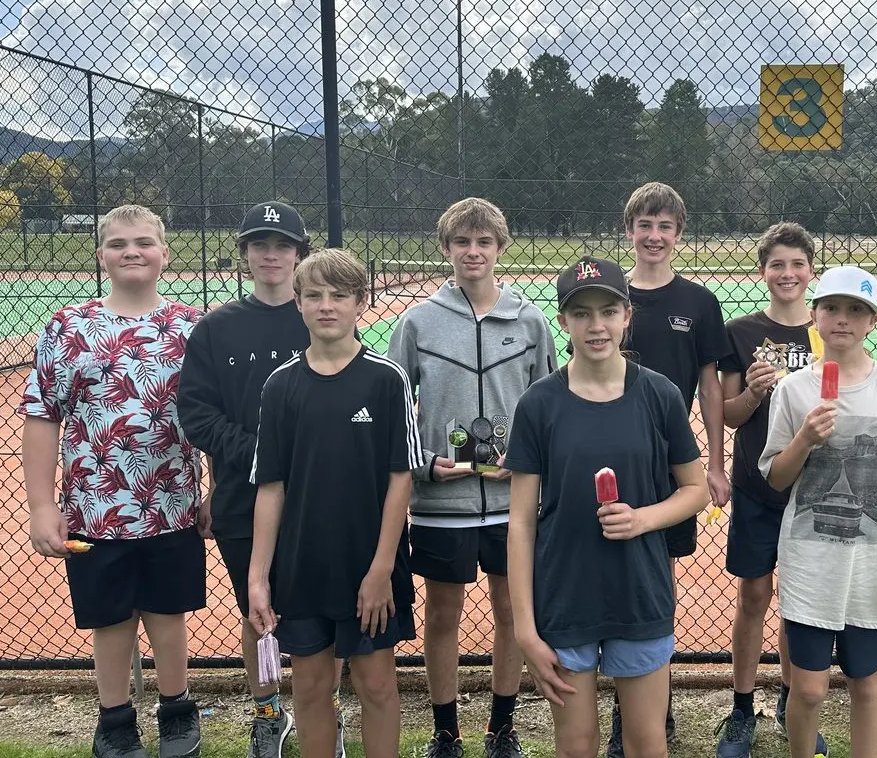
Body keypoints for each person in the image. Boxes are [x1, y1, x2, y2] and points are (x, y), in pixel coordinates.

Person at [19, 204, 205, 758]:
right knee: (111, 619)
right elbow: (42, 414)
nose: (132, 251)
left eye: (144, 242)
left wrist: (216, 486)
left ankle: (177, 710)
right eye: (119, 243)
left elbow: (211, 418)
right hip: (94, 509)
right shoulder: (68, 327)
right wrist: (41, 506)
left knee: (168, 615)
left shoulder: (191, 327)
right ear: (101, 255)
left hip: (172, 504)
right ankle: (115, 720)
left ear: (165, 255)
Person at [505, 256, 707, 758]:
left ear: (626, 316)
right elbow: (522, 523)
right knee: (576, 744)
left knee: (646, 743)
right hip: (566, 596)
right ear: (563, 320)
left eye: (608, 312)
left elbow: (695, 489)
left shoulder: (659, 395)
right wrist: (526, 631)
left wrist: (643, 518)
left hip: (639, 593)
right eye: (581, 314)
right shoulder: (538, 404)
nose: (596, 326)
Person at [386, 198, 556, 758]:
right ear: (446, 249)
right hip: (442, 500)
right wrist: (423, 461)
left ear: (500, 248)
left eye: (484, 241)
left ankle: (501, 728)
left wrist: (529, 460)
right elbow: (396, 410)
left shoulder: (529, 320)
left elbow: (548, 404)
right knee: (443, 612)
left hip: (512, 502)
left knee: (512, 611)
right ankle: (445, 731)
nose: (473, 251)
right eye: (463, 242)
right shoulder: (418, 321)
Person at [248, 248, 426, 758]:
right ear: (298, 304)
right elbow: (271, 487)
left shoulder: (386, 380)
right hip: (302, 569)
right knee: (309, 688)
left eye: (340, 295)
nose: (327, 306)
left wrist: (380, 571)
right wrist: (259, 576)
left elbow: (400, 480)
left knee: (376, 685)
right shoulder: (279, 386)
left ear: (360, 303)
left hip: (369, 568)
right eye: (315, 296)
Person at [760, 266, 877, 758]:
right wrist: (805, 439)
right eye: (831, 308)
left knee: (865, 683)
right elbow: (776, 477)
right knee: (809, 689)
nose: (842, 319)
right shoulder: (793, 390)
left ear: (873, 320)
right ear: (813, 316)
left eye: (855, 310)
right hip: (811, 564)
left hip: (873, 566)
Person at [179, 201, 328, 758]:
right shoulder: (217, 328)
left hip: (317, 495)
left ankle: (321, 711)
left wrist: (308, 456)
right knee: (257, 608)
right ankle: (268, 713)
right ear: (245, 255)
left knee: (321, 608)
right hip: (243, 495)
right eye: (260, 244)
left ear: (299, 253)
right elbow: (197, 413)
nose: (271, 254)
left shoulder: (318, 314)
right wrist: (261, 453)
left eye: (283, 244)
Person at [613, 182, 732, 754]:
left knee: (657, 584)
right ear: (629, 230)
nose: (654, 236)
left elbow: (710, 385)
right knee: (613, 575)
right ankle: (623, 714)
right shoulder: (610, 294)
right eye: (644, 226)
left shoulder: (698, 303)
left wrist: (715, 461)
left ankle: (653, 712)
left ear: (679, 234)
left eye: (665, 227)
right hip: (612, 463)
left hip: (672, 468)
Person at [713, 222, 818, 757]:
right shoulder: (741, 332)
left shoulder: (827, 330)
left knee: (801, 603)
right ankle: (741, 706)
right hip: (758, 486)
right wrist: (754, 393)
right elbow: (729, 415)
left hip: (815, 492)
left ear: (811, 271)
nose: (787, 274)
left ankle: (792, 698)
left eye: (797, 264)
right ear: (763, 272)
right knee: (754, 596)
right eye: (777, 264)